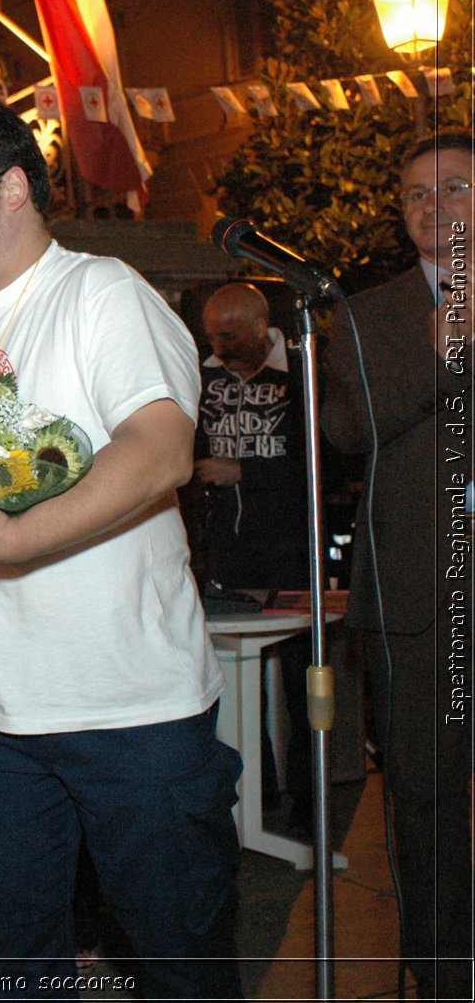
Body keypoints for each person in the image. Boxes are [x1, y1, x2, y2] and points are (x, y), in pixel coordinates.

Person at [0, 99, 243, 1001]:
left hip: (133, 711)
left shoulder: (100, 293)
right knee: (12, 966)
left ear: (13, 186)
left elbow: (159, 449)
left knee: (180, 960)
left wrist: (17, 537)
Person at [320, 131, 472, 1002]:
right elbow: (349, 434)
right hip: (420, 602)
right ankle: (447, 971)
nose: (430, 206)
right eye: (415, 194)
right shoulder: (364, 313)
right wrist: (445, 348)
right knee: (424, 801)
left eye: (452, 188)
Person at [194, 282, 312, 818]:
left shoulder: (304, 373)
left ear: (262, 324)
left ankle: (311, 802)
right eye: (213, 333)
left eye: (231, 333)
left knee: (300, 681)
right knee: (235, 679)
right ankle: (255, 798)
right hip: (225, 553)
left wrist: (245, 471)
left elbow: (325, 461)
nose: (220, 343)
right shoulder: (202, 376)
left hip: (291, 548)